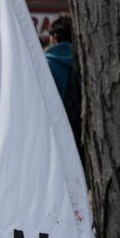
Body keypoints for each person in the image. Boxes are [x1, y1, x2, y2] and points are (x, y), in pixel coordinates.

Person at [44, 14, 82, 149]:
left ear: (53, 38)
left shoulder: (43, 66)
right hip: (82, 137)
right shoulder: (86, 63)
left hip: (54, 139)